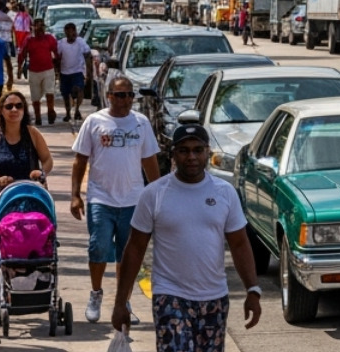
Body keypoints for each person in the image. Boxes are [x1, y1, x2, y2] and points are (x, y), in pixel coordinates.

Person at [112, 119, 262, 350]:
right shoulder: (154, 194)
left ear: (207, 152)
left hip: (214, 298)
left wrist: (252, 289)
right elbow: (135, 248)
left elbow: (240, 244)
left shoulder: (225, 193)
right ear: (173, 154)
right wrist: (121, 301)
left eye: (197, 150)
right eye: (184, 151)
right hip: (170, 296)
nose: (191, 157)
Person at [74, 75, 161, 324]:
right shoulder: (94, 122)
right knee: (98, 247)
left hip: (133, 200)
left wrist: (158, 195)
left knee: (128, 254)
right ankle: (96, 293)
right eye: (121, 95)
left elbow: (149, 161)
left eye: (130, 95)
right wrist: (75, 195)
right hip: (101, 198)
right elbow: (80, 160)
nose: (126, 100)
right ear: (109, 95)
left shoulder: (141, 123)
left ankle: (123, 301)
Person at [0, 91, 52, 309]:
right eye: (8, 106)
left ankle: (26, 289)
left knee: (29, 245)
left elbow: (47, 159)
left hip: (28, 199)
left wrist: (41, 172)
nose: (14, 110)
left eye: (18, 106)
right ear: (1, 110)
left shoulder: (32, 133)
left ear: (24, 110)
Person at [19, 19, 60, 124]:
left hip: (48, 70)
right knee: (35, 97)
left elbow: (56, 53)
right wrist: (19, 68)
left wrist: (58, 69)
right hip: (34, 72)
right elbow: (22, 54)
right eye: (37, 26)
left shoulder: (50, 39)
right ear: (33, 28)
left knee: (49, 93)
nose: (40, 29)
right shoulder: (29, 40)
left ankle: (50, 111)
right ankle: (38, 117)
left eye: (42, 26)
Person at [56, 21, 93, 123]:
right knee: (65, 94)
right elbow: (57, 57)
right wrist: (57, 72)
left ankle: (77, 109)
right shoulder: (61, 43)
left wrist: (89, 71)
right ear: (65, 33)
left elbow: (88, 55)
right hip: (64, 72)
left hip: (77, 71)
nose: (71, 35)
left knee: (79, 89)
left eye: (73, 32)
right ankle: (68, 113)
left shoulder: (81, 42)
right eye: (68, 33)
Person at [11, 5, 31, 79]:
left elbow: (13, 27)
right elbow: (30, 25)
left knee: (19, 55)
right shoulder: (27, 16)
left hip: (18, 38)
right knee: (26, 55)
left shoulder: (16, 17)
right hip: (25, 37)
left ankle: (19, 71)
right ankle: (23, 68)